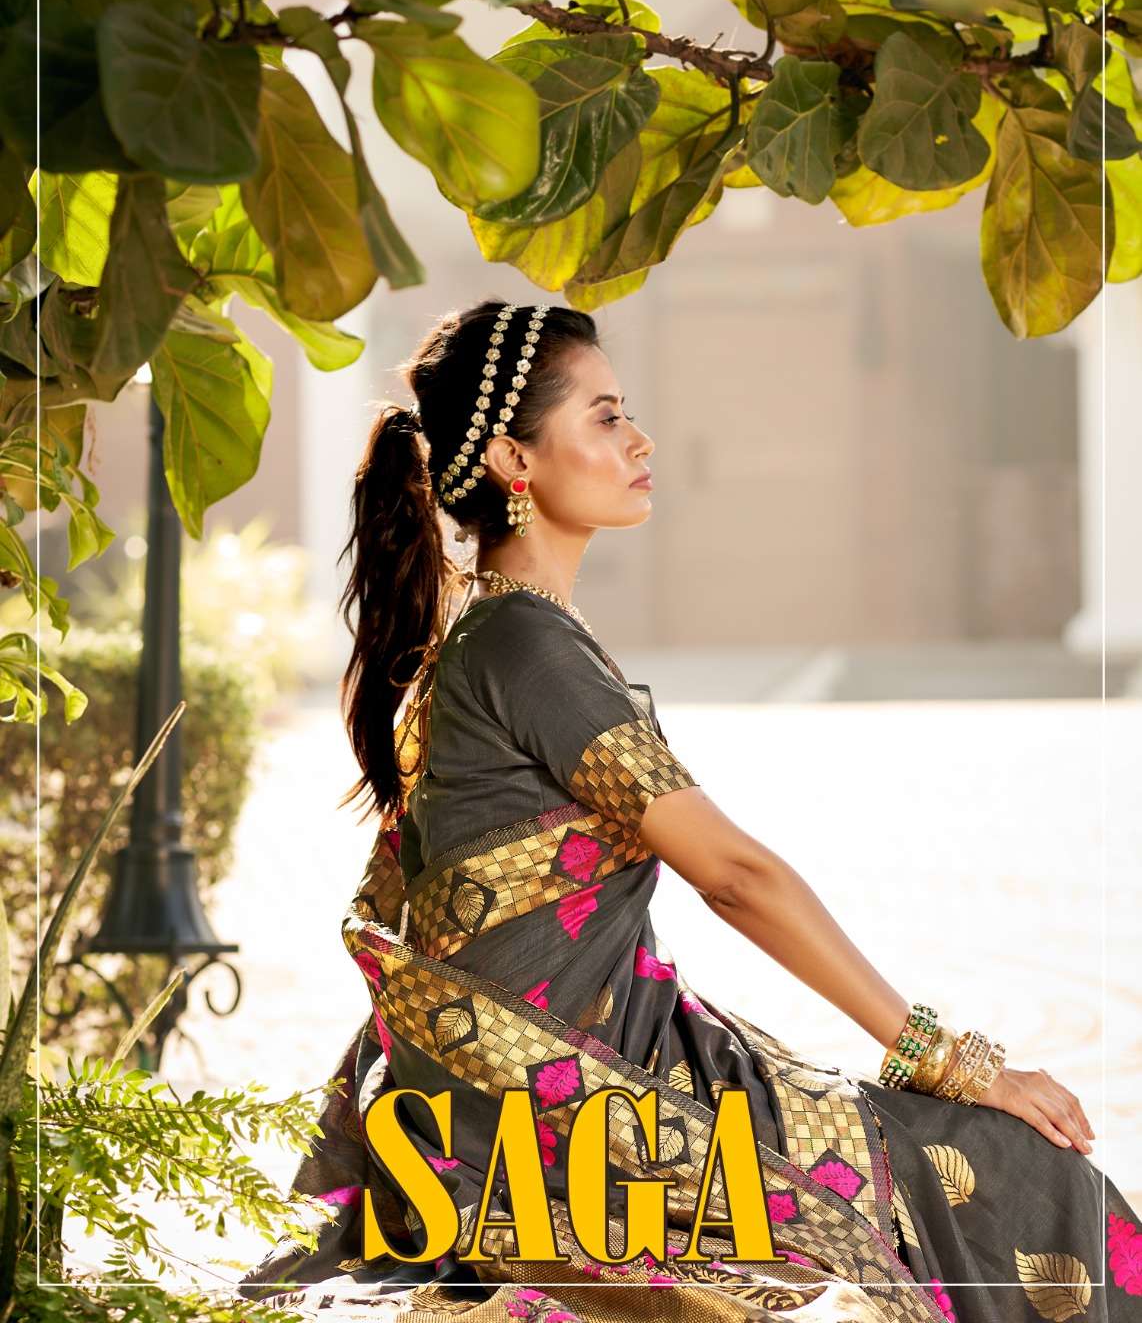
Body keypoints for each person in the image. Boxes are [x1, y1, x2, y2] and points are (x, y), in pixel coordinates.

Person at [239, 299, 1141, 1323]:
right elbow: (736, 877)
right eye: (605, 416)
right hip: (573, 1118)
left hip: (573, 1082)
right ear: (512, 459)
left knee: (976, 1169)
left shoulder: (504, 633)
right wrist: (949, 1060)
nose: (641, 440)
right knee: (1014, 1169)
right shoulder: (523, 645)